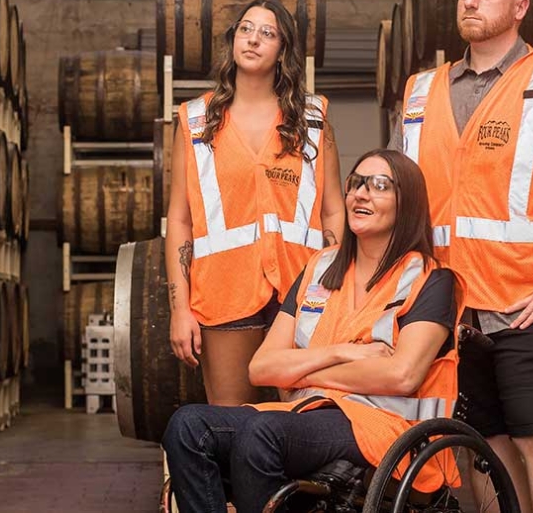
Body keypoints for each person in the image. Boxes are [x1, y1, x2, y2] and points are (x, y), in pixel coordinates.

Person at [163, 149, 463, 513]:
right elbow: (261, 369)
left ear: (408, 203)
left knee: (262, 433)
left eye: (380, 185)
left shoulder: (431, 279)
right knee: (188, 426)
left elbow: (401, 375)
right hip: (307, 414)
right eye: (356, 184)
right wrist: (342, 353)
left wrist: (302, 370)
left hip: (382, 427)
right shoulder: (320, 267)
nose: (361, 194)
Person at [393, 0, 533, 513]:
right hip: (450, 313)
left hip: (532, 304)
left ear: (520, 7)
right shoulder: (420, 91)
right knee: (481, 451)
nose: (470, 0)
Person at [165, 0, 345, 406]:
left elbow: (334, 208)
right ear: (233, 41)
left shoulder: (313, 119)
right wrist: (180, 308)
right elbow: (179, 219)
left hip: (302, 294)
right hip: (223, 294)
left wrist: (335, 286)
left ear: (283, 50)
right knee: (230, 424)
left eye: (268, 33)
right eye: (246, 29)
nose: (253, 39)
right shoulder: (196, 121)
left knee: (304, 424)